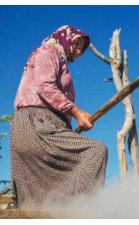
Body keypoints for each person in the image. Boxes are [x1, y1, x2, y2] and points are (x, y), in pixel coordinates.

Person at [10, 25, 108, 209]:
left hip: (48, 126)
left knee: (45, 204)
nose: (79, 50)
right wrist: (77, 113)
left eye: (82, 48)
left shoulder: (60, 63)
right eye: (77, 43)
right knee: (95, 151)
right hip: (36, 125)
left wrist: (70, 125)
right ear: (65, 37)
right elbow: (45, 87)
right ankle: (81, 213)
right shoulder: (48, 51)